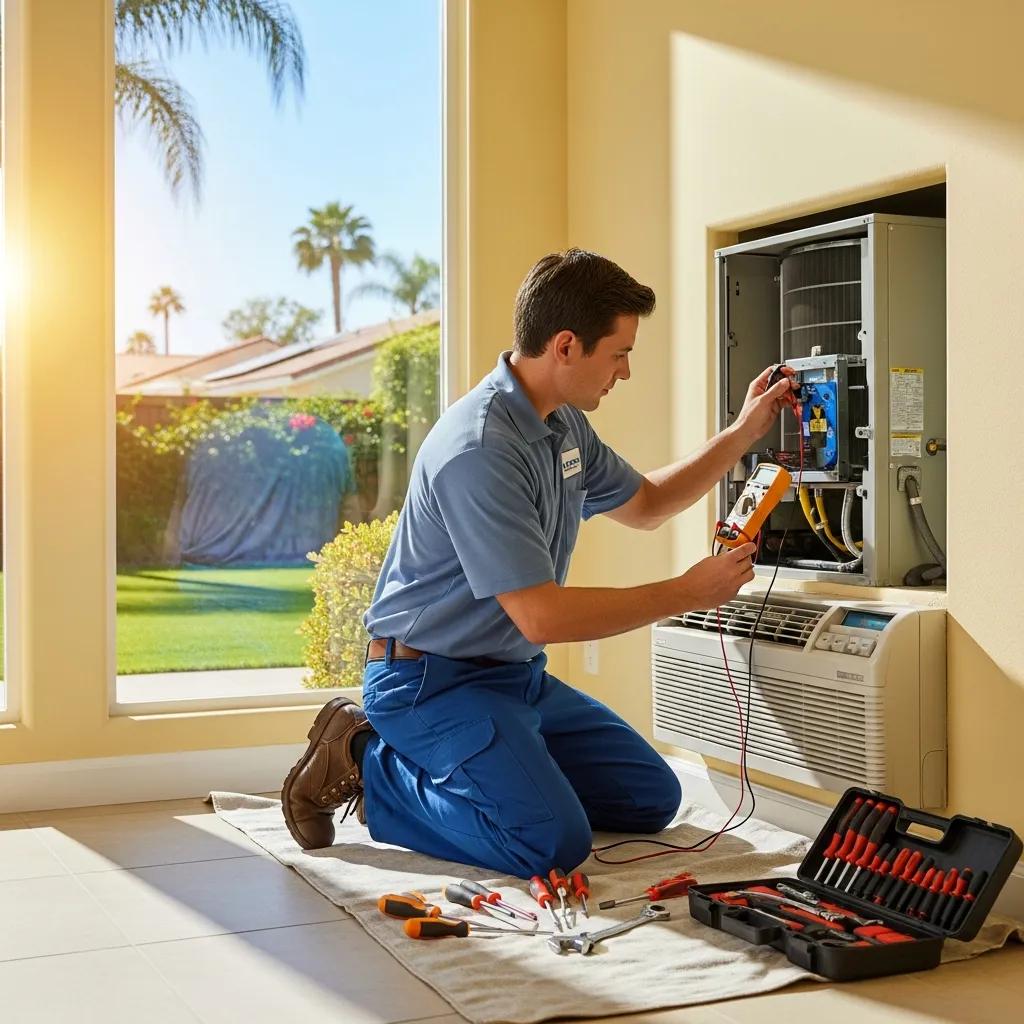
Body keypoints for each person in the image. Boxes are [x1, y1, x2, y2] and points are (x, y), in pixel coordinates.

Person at [281, 248, 796, 878]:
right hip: (429, 684)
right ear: (566, 346)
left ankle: (505, 774)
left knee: (651, 798)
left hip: (513, 679)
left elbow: (649, 504)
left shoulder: (564, 427)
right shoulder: (481, 449)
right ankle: (365, 760)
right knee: (550, 844)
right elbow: (541, 615)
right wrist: (686, 593)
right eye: (620, 353)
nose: (626, 371)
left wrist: (746, 430)